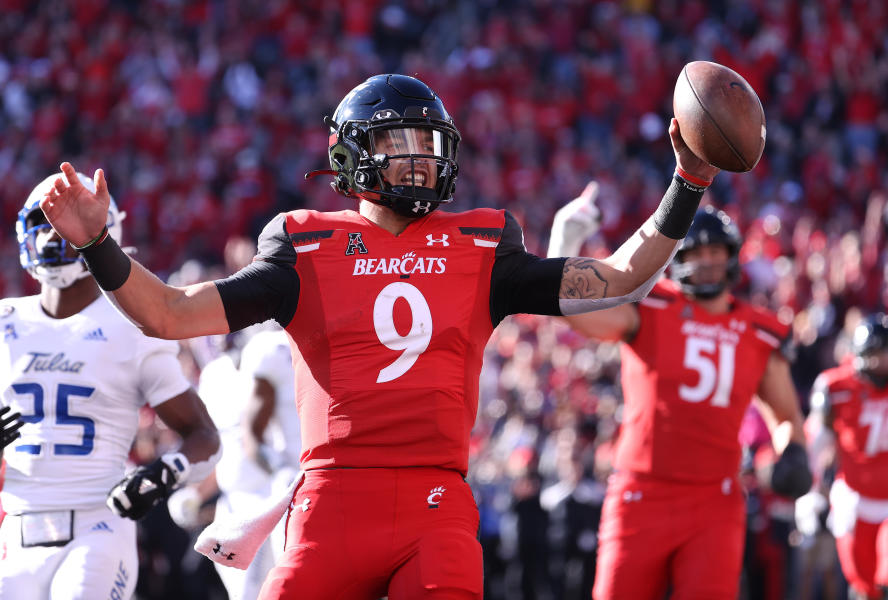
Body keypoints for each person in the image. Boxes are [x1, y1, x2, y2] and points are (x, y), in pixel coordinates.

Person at [42, 73, 719, 600]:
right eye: (401, 143)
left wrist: (686, 184)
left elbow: (619, 278)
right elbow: (167, 313)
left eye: (429, 143)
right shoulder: (305, 244)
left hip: (435, 502)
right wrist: (99, 244)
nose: (421, 159)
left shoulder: (482, 242)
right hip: (332, 499)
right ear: (353, 155)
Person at [0, 172, 220, 600]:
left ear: (103, 230)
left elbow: (204, 434)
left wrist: (162, 474)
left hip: (98, 523)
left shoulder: (130, 324)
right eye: (42, 223)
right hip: (18, 526)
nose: (49, 237)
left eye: (60, 224)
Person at [546, 189, 812, 599]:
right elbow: (575, 310)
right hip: (641, 491)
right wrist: (563, 246)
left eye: (715, 253)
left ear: (733, 256)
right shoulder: (648, 306)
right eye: (694, 254)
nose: (706, 263)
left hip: (715, 498)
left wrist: (790, 451)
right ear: (676, 262)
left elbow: (785, 417)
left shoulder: (760, 331)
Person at [171, 326, 299, 600]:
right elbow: (223, 449)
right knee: (244, 591)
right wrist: (196, 493)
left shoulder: (268, 355)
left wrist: (282, 475)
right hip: (233, 501)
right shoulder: (213, 375)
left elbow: (258, 439)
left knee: (278, 585)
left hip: (272, 496)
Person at [804, 313, 888, 600]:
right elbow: (818, 444)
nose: (880, 363)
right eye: (875, 355)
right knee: (863, 587)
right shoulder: (836, 387)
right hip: (853, 500)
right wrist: (812, 493)